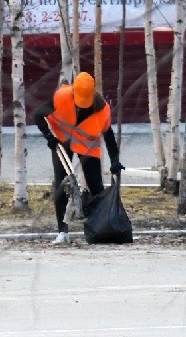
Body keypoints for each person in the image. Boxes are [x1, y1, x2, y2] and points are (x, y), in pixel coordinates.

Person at [34, 72, 124, 244]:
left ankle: (101, 228)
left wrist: (115, 160)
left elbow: (109, 136)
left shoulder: (102, 108)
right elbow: (38, 115)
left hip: (88, 147)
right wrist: (50, 137)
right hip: (62, 143)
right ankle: (62, 233)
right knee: (62, 185)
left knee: (96, 187)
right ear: (73, 92)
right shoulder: (61, 97)